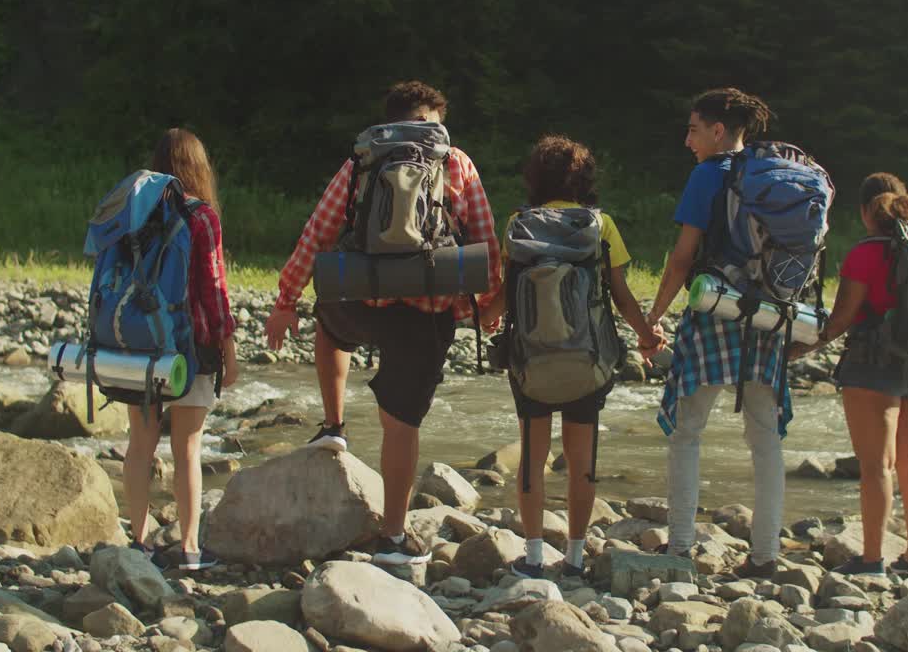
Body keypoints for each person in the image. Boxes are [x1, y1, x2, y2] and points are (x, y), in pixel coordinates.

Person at [264, 81, 502, 566]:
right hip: (426, 311)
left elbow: (320, 229)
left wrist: (286, 299)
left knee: (327, 322)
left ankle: (333, 426)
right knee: (401, 425)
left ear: (391, 117)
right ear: (435, 119)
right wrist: (487, 304)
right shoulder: (455, 161)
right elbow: (484, 238)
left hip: (361, 299)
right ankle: (393, 538)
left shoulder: (364, 157)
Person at [478, 135, 665, 579]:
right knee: (582, 458)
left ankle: (535, 557)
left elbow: (506, 291)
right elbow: (620, 295)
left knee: (532, 454)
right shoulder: (602, 226)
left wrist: (486, 315)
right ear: (584, 178)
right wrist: (646, 336)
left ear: (534, 177)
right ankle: (577, 558)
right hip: (589, 358)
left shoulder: (517, 224)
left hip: (529, 360)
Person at [644, 88, 789, 578]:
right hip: (768, 317)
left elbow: (682, 257)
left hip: (714, 312)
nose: (688, 140)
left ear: (718, 131)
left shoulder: (708, 174)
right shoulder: (773, 175)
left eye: (693, 129)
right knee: (765, 438)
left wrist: (653, 317)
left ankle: (681, 548)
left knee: (687, 432)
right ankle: (766, 555)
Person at [790, 172, 908, 576]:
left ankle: (872, 559)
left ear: (867, 211)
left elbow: (840, 321)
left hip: (873, 365)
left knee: (876, 466)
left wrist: (802, 349)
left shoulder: (866, 254)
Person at [125, 128, 239, 571]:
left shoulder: (136, 212)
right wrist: (228, 347)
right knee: (187, 448)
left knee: (140, 444)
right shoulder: (201, 216)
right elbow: (214, 290)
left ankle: (137, 541)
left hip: (137, 345)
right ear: (197, 166)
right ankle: (190, 547)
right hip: (189, 346)